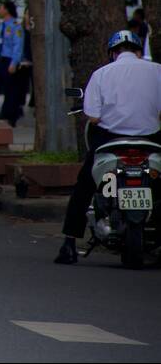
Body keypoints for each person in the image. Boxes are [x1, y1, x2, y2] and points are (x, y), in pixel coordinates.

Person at [54, 30, 161, 264]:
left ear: (113, 53)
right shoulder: (157, 71)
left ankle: (69, 243)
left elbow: (92, 117)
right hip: (151, 141)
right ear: (138, 51)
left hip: (111, 140)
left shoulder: (101, 74)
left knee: (84, 186)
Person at [0, 0, 23, 121]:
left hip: (8, 60)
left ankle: (7, 113)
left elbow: (17, 45)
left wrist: (14, 62)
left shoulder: (15, 26)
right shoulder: (0, 25)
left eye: (1, 7)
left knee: (9, 89)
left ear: (7, 9)